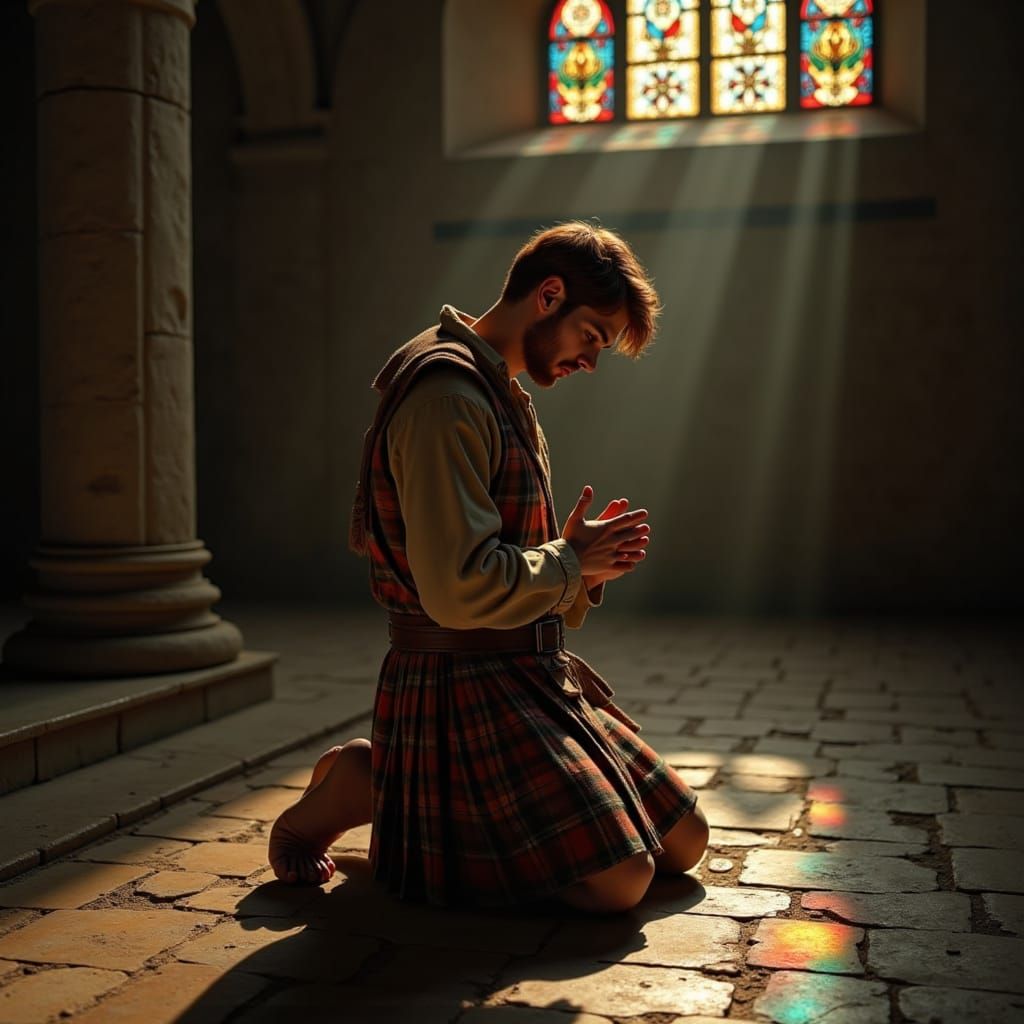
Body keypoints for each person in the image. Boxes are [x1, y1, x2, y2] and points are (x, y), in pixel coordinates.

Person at [269, 222, 708, 912]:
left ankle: (406, 786)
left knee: (687, 841)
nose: (591, 361)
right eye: (591, 335)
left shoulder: (498, 388)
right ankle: (371, 783)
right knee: (620, 882)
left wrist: (583, 570)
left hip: (530, 675)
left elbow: (512, 565)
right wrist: (568, 560)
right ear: (549, 295)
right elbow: (457, 590)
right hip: (460, 685)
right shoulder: (448, 397)